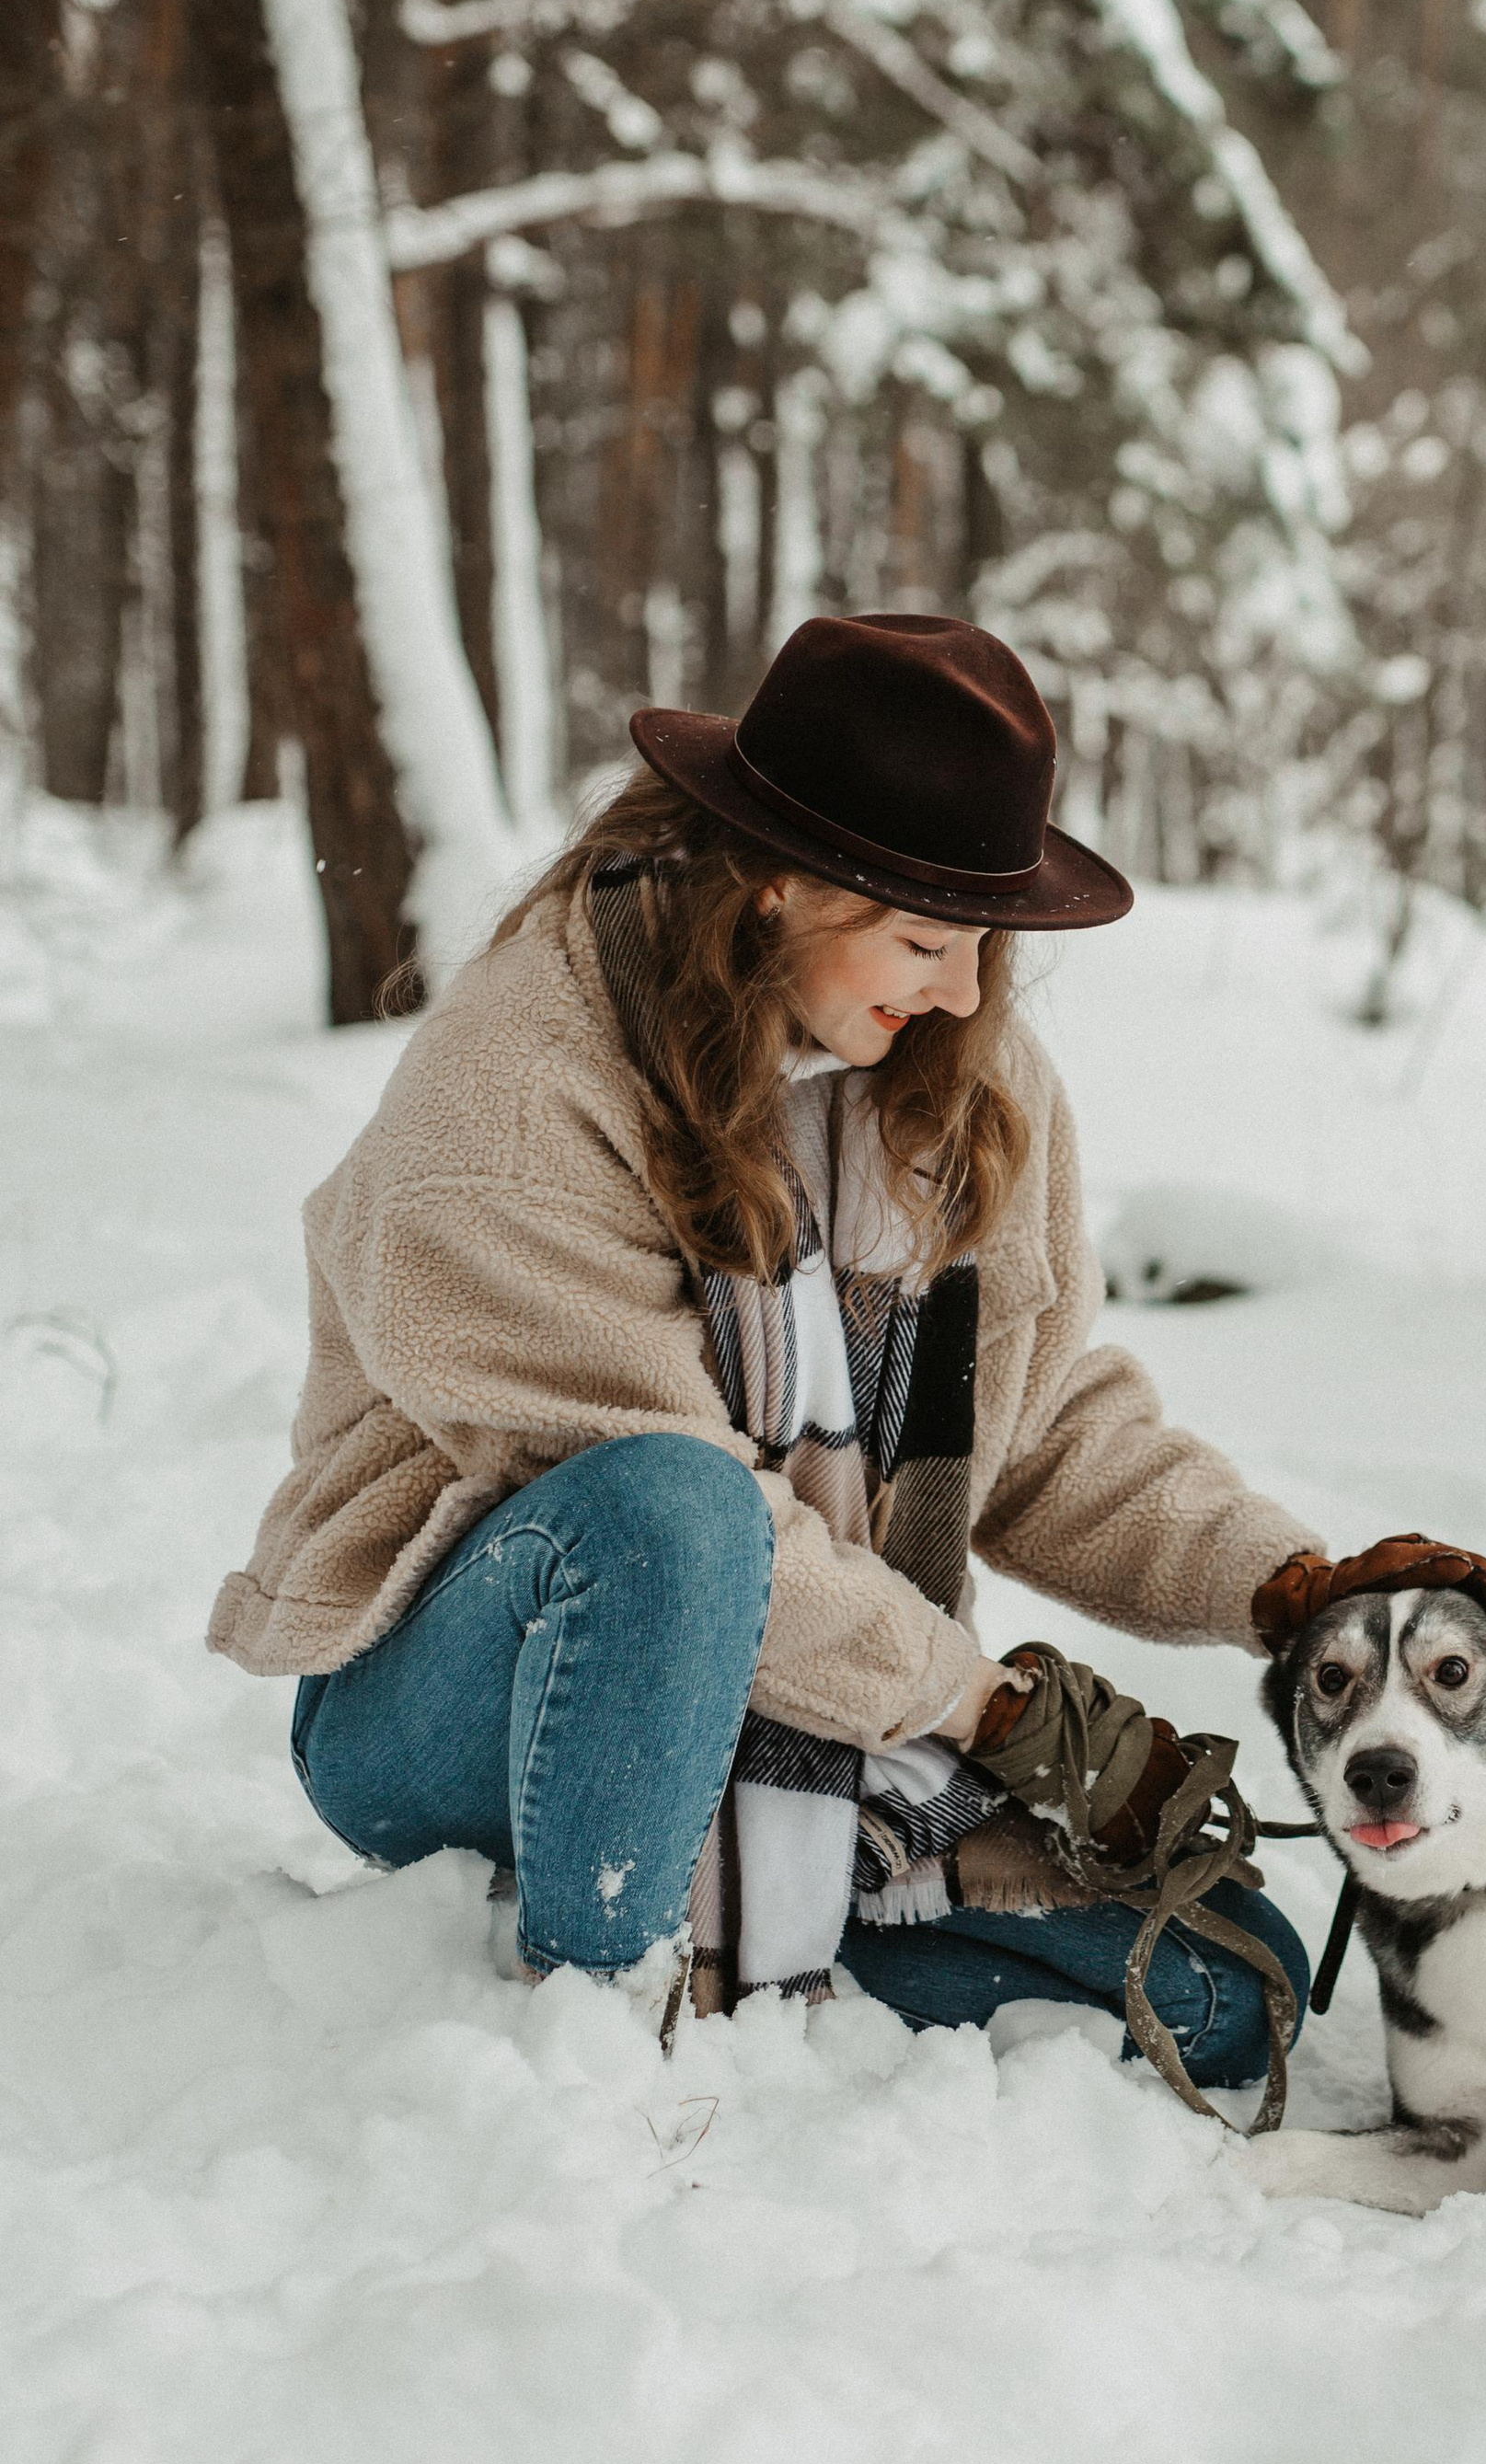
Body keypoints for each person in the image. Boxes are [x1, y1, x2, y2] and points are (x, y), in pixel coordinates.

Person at [211, 613, 1324, 2085]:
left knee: (1226, 1989)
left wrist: (1303, 1593)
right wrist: (988, 1711)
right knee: (676, 1509)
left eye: (985, 941)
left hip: (801, 1706)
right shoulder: (516, 1087)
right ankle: (602, 2036)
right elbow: (663, 1510)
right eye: (926, 940)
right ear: (776, 886)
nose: (965, 992)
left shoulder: (958, 1077)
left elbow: (1038, 1426)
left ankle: (773, 1920)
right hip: (458, 1691)